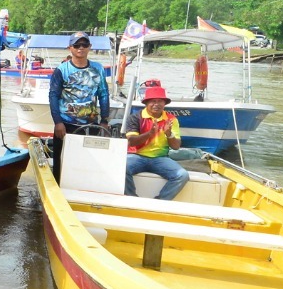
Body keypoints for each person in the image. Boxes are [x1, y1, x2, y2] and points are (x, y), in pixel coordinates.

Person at [47, 31, 111, 183]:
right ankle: (57, 188)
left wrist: (105, 120)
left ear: (90, 47)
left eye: (84, 45)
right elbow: (53, 96)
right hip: (66, 123)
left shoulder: (98, 69)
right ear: (70, 48)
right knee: (60, 162)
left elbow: (103, 94)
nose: (80, 48)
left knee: (87, 162)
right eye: (77, 45)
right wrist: (58, 122)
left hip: (90, 124)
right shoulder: (62, 70)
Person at [123, 82, 189, 200]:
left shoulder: (171, 119)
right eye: (153, 101)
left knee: (182, 175)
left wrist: (169, 134)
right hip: (136, 156)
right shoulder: (135, 118)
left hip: (160, 158)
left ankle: (160, 201)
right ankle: (131, 199)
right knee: (121, 168)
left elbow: (176, 147)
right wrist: (150, 134)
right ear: (146, 103)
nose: (156, 104)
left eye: (160, 101)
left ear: (165, 103)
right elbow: (131, 141)